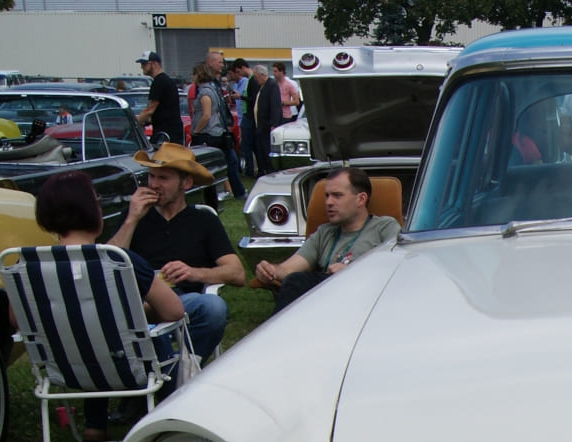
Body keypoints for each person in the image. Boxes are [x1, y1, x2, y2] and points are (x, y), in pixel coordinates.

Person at [32, 171, 185, 442]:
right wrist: (139, 311)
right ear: (92, 210)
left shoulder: (31, 266)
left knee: (88, 334)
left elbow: (17, 318)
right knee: (144, 334)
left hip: (65, 369)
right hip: (127, 368)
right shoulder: (118, 260)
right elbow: (174, 312)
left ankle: (95, 424)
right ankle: (173, 414)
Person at [108, 143, 237, 361]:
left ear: (185, 183)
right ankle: (167, 370)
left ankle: (182, 367)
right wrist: (132, 219)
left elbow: (236, 273)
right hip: (141, 300)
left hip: (184, 300)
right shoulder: (134, 216)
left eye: (163, 178)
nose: (154, 185)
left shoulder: (203, 220)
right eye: (151, 177)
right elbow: (108, 263)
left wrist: (194, 273)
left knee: (214, 307)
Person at [253, 166, 399, 313]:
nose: (329, 202)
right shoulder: (324, 232)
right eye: (327, 196)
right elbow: (289, 269)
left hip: (366, 300)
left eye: (337, 195)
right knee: (295, 280)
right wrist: (271, 271)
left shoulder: (384, 227)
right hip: (325, 303)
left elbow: (398, 266)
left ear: (361, 199)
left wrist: (354, 272)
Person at [192, 57, 244, 198]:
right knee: (229, 161)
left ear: (199, 74)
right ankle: (236, 191)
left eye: (194, 74)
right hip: (219, 131)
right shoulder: (213, 89)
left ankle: (215, 193)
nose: (193, 77)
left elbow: (206, 114)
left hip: (209, 133)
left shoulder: (205, 93)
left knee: (208, 165)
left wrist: (196, 131)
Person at [135, 51, 184, 145]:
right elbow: (158, 111)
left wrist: (134, 125)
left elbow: (149, 110)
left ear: (154, 64)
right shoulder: (164, 80)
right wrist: (145, 122)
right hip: (170, 133)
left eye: (144, 64)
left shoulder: (159, 82)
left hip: (166, 136)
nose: (142, 67)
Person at [250, 64, 282, 176]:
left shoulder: (271, 85)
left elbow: (275, 105)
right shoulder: (262, 86)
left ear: (262, 75)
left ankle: (270, 171)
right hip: (261, 125)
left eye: (256, 77)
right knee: (262, 150)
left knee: (267, 150)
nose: (255, 79)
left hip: (267, 125)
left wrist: (274, 123)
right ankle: (265, 170)